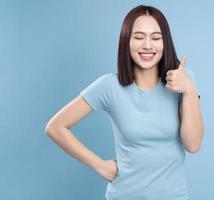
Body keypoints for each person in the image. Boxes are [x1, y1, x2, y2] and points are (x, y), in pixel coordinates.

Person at [45, 4, 204, 200]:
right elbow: (55, 127)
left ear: (166, 43)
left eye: (156, 38)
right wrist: (99, 165)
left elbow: (193, 144)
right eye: (138, 37)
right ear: (126, 41)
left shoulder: (185, 79)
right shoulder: (109, 86)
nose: (147, 45)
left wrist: (189, 90)